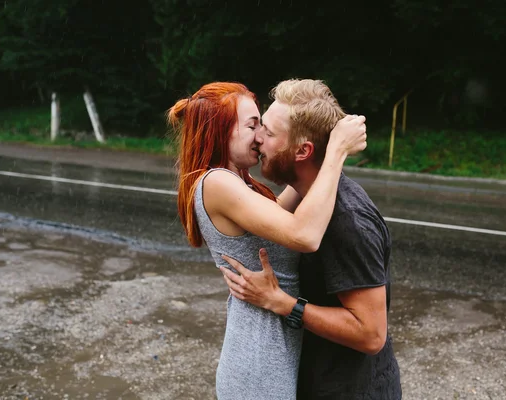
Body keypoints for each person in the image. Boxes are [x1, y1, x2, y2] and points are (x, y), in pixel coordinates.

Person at [167, 81, 367, 400]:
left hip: (267, 353)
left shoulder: (234, 184)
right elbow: (304, 235)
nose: (261, 136)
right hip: (259, 364)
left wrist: (314, 150)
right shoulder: (217, 182)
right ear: (220, 131)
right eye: (252, 125)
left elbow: (287, 216)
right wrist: (337, 152)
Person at [220, 79, 402, 399]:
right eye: (258, 125)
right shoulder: (309, 201)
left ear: (303, 151)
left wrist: (283, 303)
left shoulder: (348, 223)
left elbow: (371, 334)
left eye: (269, 132)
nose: (257, 138)